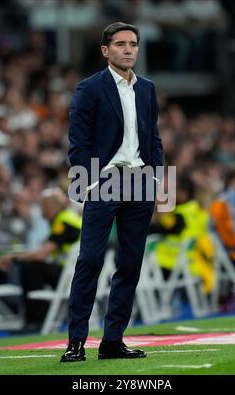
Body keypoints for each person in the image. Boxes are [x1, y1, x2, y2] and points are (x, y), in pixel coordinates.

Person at [61, 22, 163, 362]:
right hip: (103, 181)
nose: (128, 49)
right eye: (120, 44)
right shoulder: (89, 88)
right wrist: (87, 184)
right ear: (106, 50)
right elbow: (78, 142)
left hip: (139, 181)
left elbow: (154, 139)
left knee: (130, 263)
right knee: (89, 260)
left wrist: (156, 179)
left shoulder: (147, 88)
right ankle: (75, 341)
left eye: (133, 43)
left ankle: (112, 341)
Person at [0, 188, 82, 331]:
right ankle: (37, 317)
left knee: (30, 266)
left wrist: (13, 258)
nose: (40, 209)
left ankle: (36, 320)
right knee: (33, 265)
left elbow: (41, 254)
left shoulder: (64, 222)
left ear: (50, 206)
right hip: (74, 273)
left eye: (42, 205)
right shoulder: (67, 218)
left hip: (71, 277)